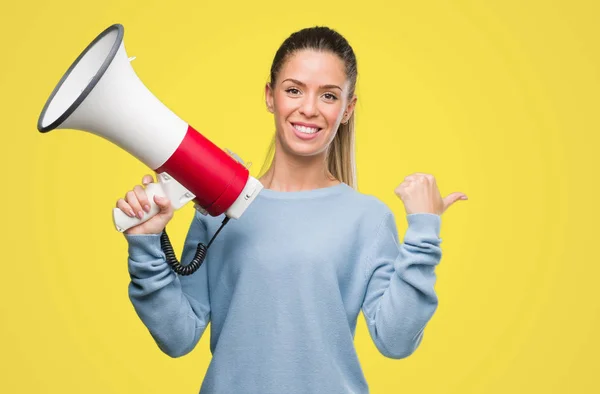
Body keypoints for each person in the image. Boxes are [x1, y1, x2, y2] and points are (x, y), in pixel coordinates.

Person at [116, 26, 467, 394]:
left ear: (348, 108)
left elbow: (395, 342)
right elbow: (177, 337)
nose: (309, 109)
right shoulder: (218, 207)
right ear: (271, 96)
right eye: (294, 90)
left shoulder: (369, 219)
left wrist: (424, 234)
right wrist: (146, 245)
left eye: (328, 96)